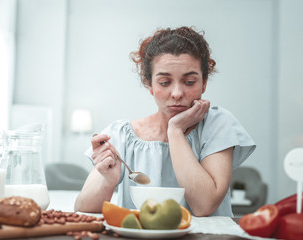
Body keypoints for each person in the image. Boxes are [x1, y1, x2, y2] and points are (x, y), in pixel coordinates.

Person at [74, 26, 256, 217]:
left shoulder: (218, 124)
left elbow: (205, 205)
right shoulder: (121, 135)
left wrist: (175, 130)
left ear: (204, 82)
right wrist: (107, 180)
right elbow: (82, 209)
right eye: (164, 83)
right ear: (149, 84)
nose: (177, 94)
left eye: (189, 82)